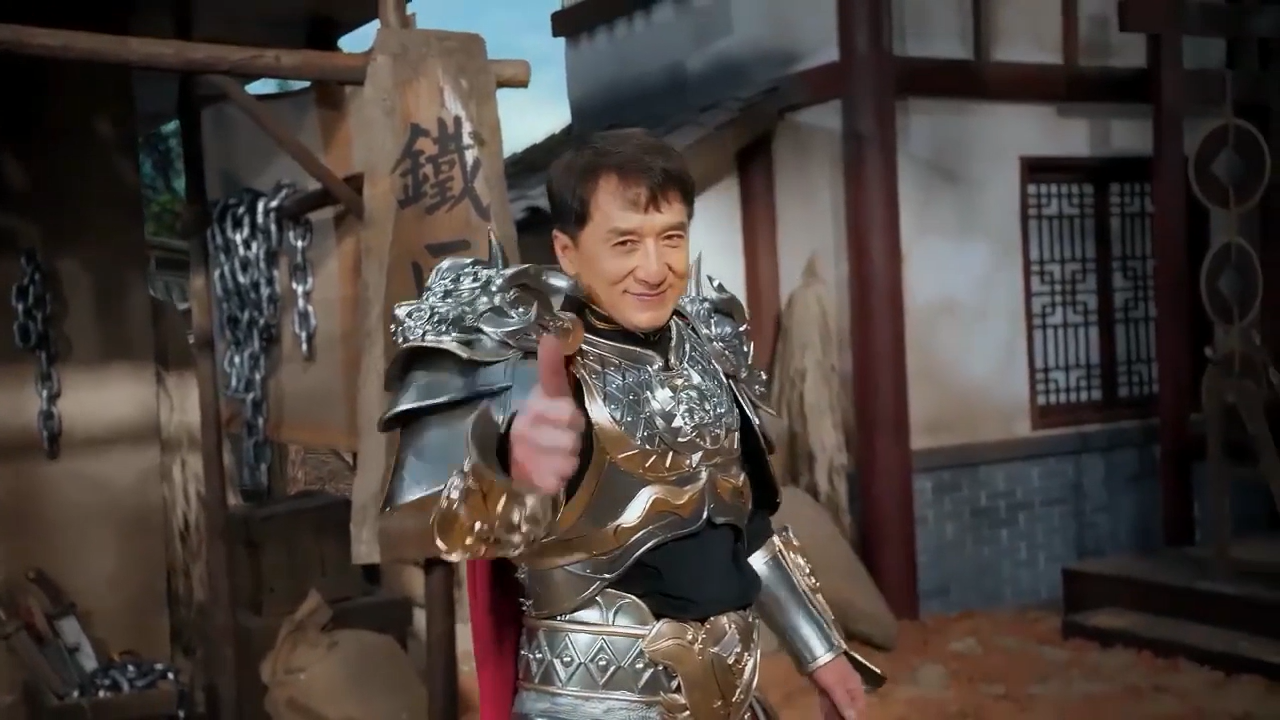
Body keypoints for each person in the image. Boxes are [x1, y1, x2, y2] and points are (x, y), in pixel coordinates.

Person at [376, 129, 885, 720]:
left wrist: (820, 651)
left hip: (733, 700)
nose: (654, 268)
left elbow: (745, 526)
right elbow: (445, 529)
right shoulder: (524, 363)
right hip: (586, 704)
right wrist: (508, 470)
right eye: (624, 242)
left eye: (671, 237)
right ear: (568, 251)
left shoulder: (707, 347)